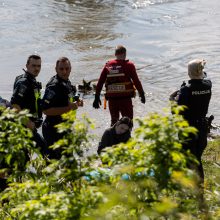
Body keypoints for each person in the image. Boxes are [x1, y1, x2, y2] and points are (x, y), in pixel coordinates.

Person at [170, 59, 212, 187]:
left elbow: (177, 111)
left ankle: (191, 189)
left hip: (188, 129)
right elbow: (204, 79)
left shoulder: (186, 90)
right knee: (197, 158)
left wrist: (172, 99)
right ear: (201, 71)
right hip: (202, 127)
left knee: (189, 160)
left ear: (189, 72)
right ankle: (199, 189)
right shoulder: (208, 85)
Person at [41, 57, 83, 159]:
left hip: (65, 129)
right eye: (61, 69)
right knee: (53, 164)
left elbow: (67, 99)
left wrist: (77, 101)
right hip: (53, 131)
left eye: (67, 68)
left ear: (70, 68)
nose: (64, 71)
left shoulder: (66, 82)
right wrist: (69, 108)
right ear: (56, 69)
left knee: (68, 163)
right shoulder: (53, 86)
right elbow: (45, 110)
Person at [93, 45, 146, 126]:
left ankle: (113, 137)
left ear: (115, 54)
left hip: (112, 100)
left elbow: (100, 82)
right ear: (125, 54)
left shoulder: (108, 65)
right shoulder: (129, 65)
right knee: (128, 123)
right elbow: (136, 81)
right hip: (125, 100)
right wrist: (142, 94)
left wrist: (96, 97)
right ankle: (127, 138)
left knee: (114, 123)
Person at [10, 54, 46, 154]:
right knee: (45, 151)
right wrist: (28, 122)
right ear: (27, 66)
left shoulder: (31, 81)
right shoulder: (24, 82)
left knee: (27, 156)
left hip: (29, 127)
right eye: (33, 66)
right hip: (23, 127)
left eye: (39, 66)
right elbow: (14, 105)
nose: (37, 68)